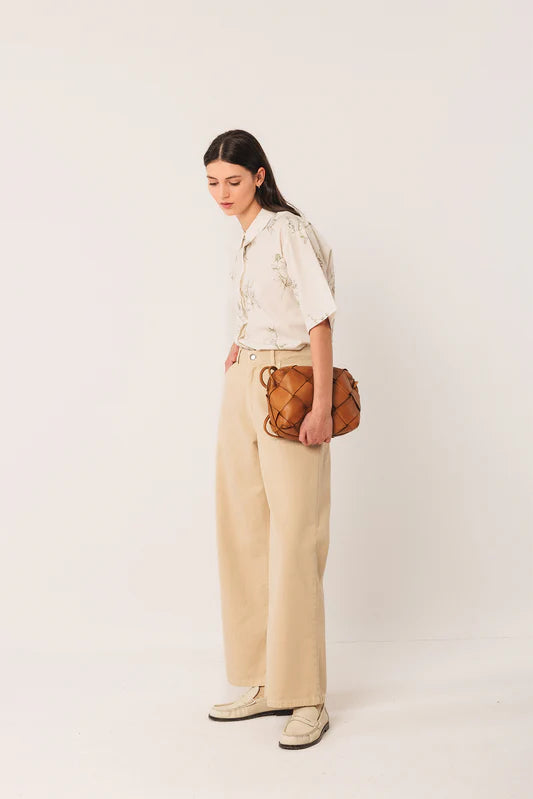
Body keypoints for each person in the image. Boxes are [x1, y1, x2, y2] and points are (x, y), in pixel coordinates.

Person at [203, 129, 337, 750]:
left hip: (290, 384)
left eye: (233, 181)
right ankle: (264, 680)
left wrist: (322, 403)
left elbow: (318, 317)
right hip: (247, 381)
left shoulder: (287, 231)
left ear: (259, 175)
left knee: (294, 536)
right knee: (245, 531)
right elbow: (265, 305)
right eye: (212, 183)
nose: (222, 193)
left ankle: (307, 695)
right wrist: (242, 341)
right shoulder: (246, 237)